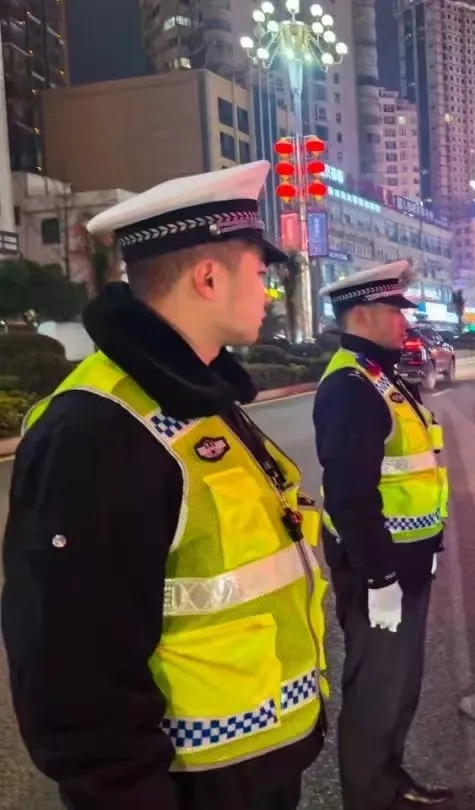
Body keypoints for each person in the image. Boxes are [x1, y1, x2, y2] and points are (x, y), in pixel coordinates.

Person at [1, 161, 328, 810]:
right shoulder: (96, 430)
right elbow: (72, 674)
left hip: (254, 770)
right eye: (259, 274)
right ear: (208, 278)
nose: (268, 292)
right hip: (190, 786)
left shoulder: (197, 396)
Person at [313, 261, 452, 810]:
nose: (404, 322)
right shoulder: (350, 386)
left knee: (401, 683)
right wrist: (379, 577)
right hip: (379, 566)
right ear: (363, 314)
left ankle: (390, 778)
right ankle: (369, 797)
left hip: (406, 560)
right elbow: (349, 495)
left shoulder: (379, 376)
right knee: (375, 688)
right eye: (395, 311)